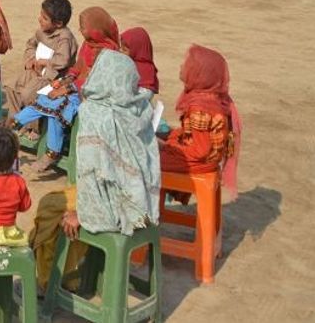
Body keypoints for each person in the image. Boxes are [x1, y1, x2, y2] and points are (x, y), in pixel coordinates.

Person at [28, 50, 159, 292]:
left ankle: (48, 281)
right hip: (141, 204)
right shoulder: (139, 107)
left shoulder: (96, 115)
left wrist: (83, 214)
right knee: (62, 204)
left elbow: (95, 176)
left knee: (51, 208)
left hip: (111, 205)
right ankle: (73, 273)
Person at [12, 6, 124, 172]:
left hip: (88, 97)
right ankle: (14, 123)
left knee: (56, 111)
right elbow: (77, 69)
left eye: (83, 27)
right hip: (73, 88)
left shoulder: (108, 53)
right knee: (44, 99)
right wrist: (65, 80)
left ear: (95, 29)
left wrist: (67, 89)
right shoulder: (88, 45)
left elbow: (96, 83)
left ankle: (52, 152)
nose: (80, 30)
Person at [159, 45, 242, 200]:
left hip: (199, 163)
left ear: (199, 74)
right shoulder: (211, 98)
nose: (182, 66)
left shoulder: (200, 107)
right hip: (207, 160)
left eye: (187, 64)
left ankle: (143, 215)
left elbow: (200, 151)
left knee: (141, 162)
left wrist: (170, 146)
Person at [7, 0, 78, 137]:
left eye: (45, 18)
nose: (40, 19)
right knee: (11, 87)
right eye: (41, 15)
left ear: (58, 23)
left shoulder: (65, 37)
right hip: (36, 71)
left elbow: (63, 60)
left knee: (29, 94)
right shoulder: (41, 32)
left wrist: (46, 62)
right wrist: (31, 58)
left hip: (54, 77)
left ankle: (34, 128)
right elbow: (30, 44)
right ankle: (16, 121)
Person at [121, 27, 160, 95]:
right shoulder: (125, 64)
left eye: (124, 50)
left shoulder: (146, 71)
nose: (120, 52)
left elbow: (145, 95)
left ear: (136, 50)